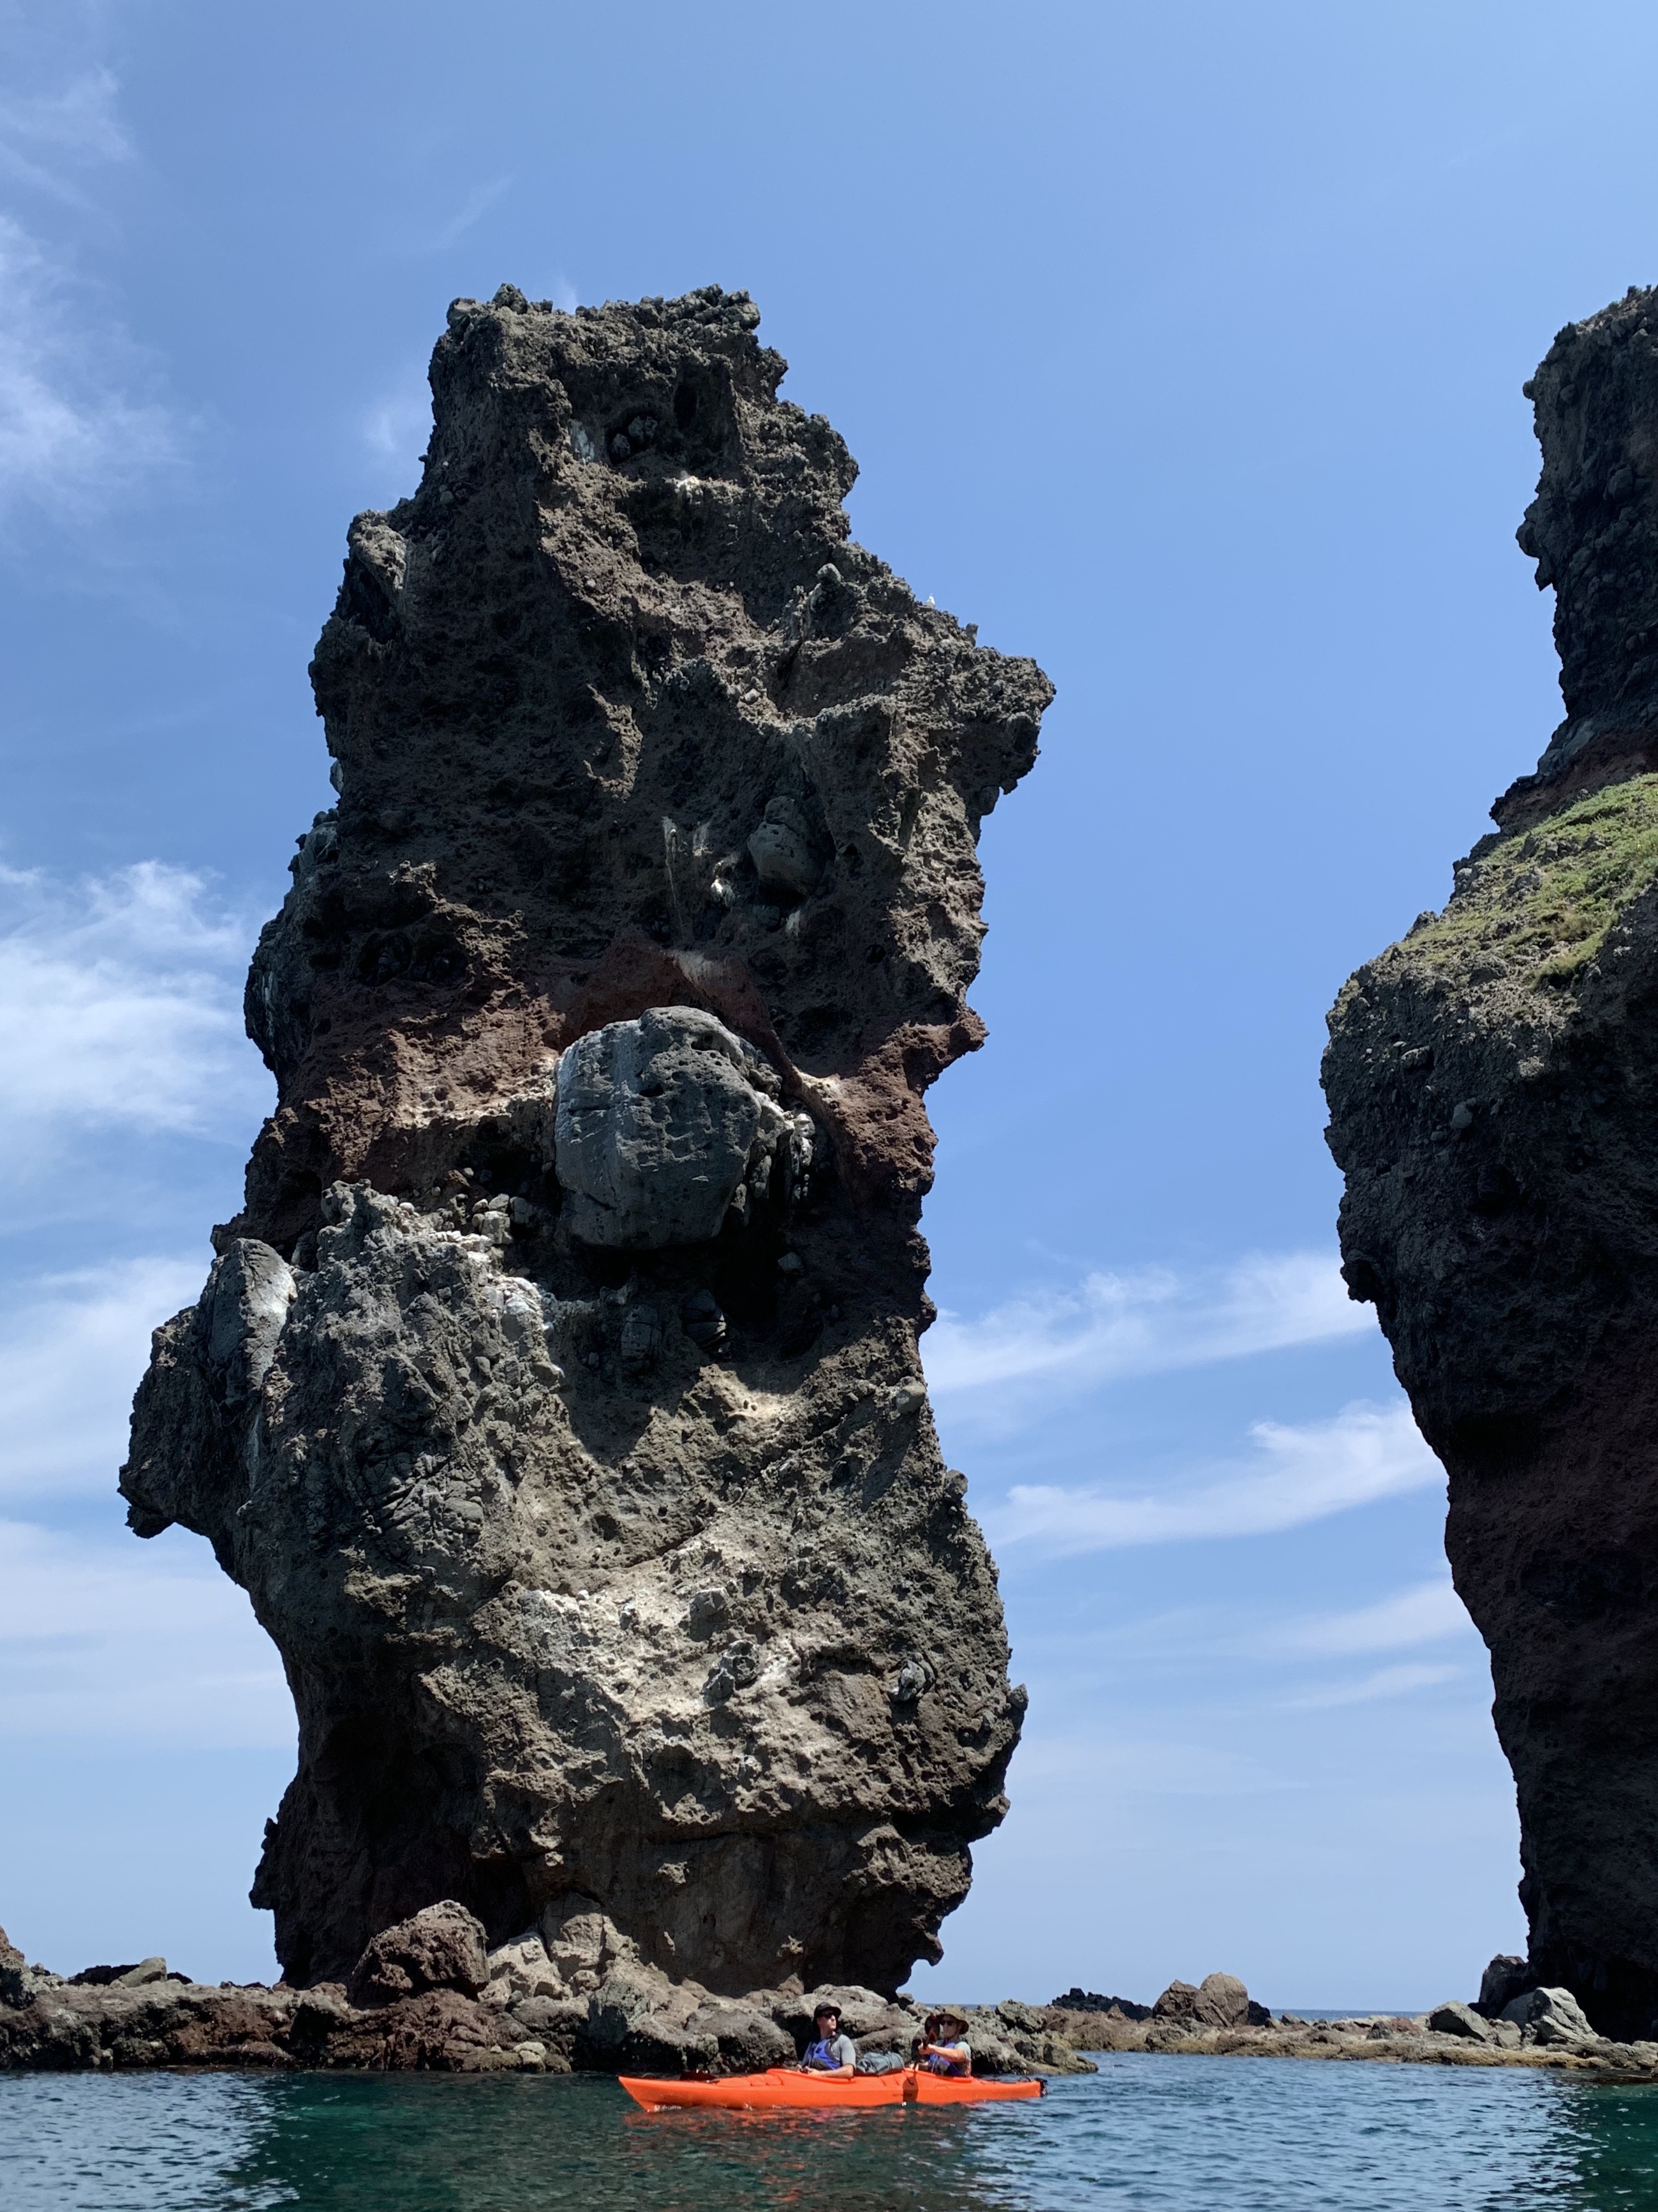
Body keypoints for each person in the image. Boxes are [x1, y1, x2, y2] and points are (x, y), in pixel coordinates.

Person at [799, 2001, 858, 2078]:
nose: (833, 2018)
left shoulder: (843, 2041)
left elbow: (849, 2072)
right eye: (828, 2016)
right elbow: (802, 2067)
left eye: (834, 2016)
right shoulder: (812, 2045)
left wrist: (820, 2074)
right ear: (819, 2021)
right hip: (813, 2085)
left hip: (833, 2087)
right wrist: (800, 2070)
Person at [917, 2009, 973, 2076]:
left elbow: (957, 2056)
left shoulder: (962, 2046)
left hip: (956, 2084)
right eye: (943, 2023)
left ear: (959, 2026)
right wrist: (918, 2066)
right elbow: (932, 2064)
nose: (945, 2026)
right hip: (935, 2083)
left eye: (950, 2023)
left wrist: (933, 2049)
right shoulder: (939, 2044)